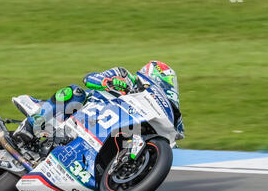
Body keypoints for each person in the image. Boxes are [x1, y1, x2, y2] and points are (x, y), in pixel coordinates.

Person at [12, 61, 184, 144]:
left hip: (101, 130)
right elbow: (89, 78)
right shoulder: (125, 76)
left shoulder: (145, 113)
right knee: (75, 92)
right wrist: (108, 82)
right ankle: (33, 125)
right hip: (79, 113)